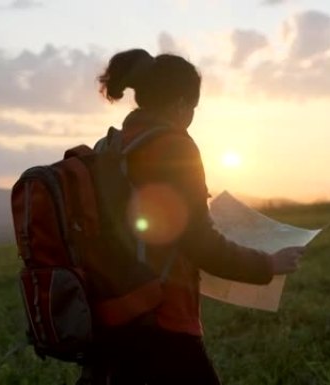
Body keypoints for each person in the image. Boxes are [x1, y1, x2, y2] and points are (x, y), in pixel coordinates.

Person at [94, 48, 304, 385]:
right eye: (192, 107)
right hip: (161, 318)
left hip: (115, 310)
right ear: (181, 104)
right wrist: (268, 264)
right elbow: (199, 242)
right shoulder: (175, 147)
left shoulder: (115, 146)